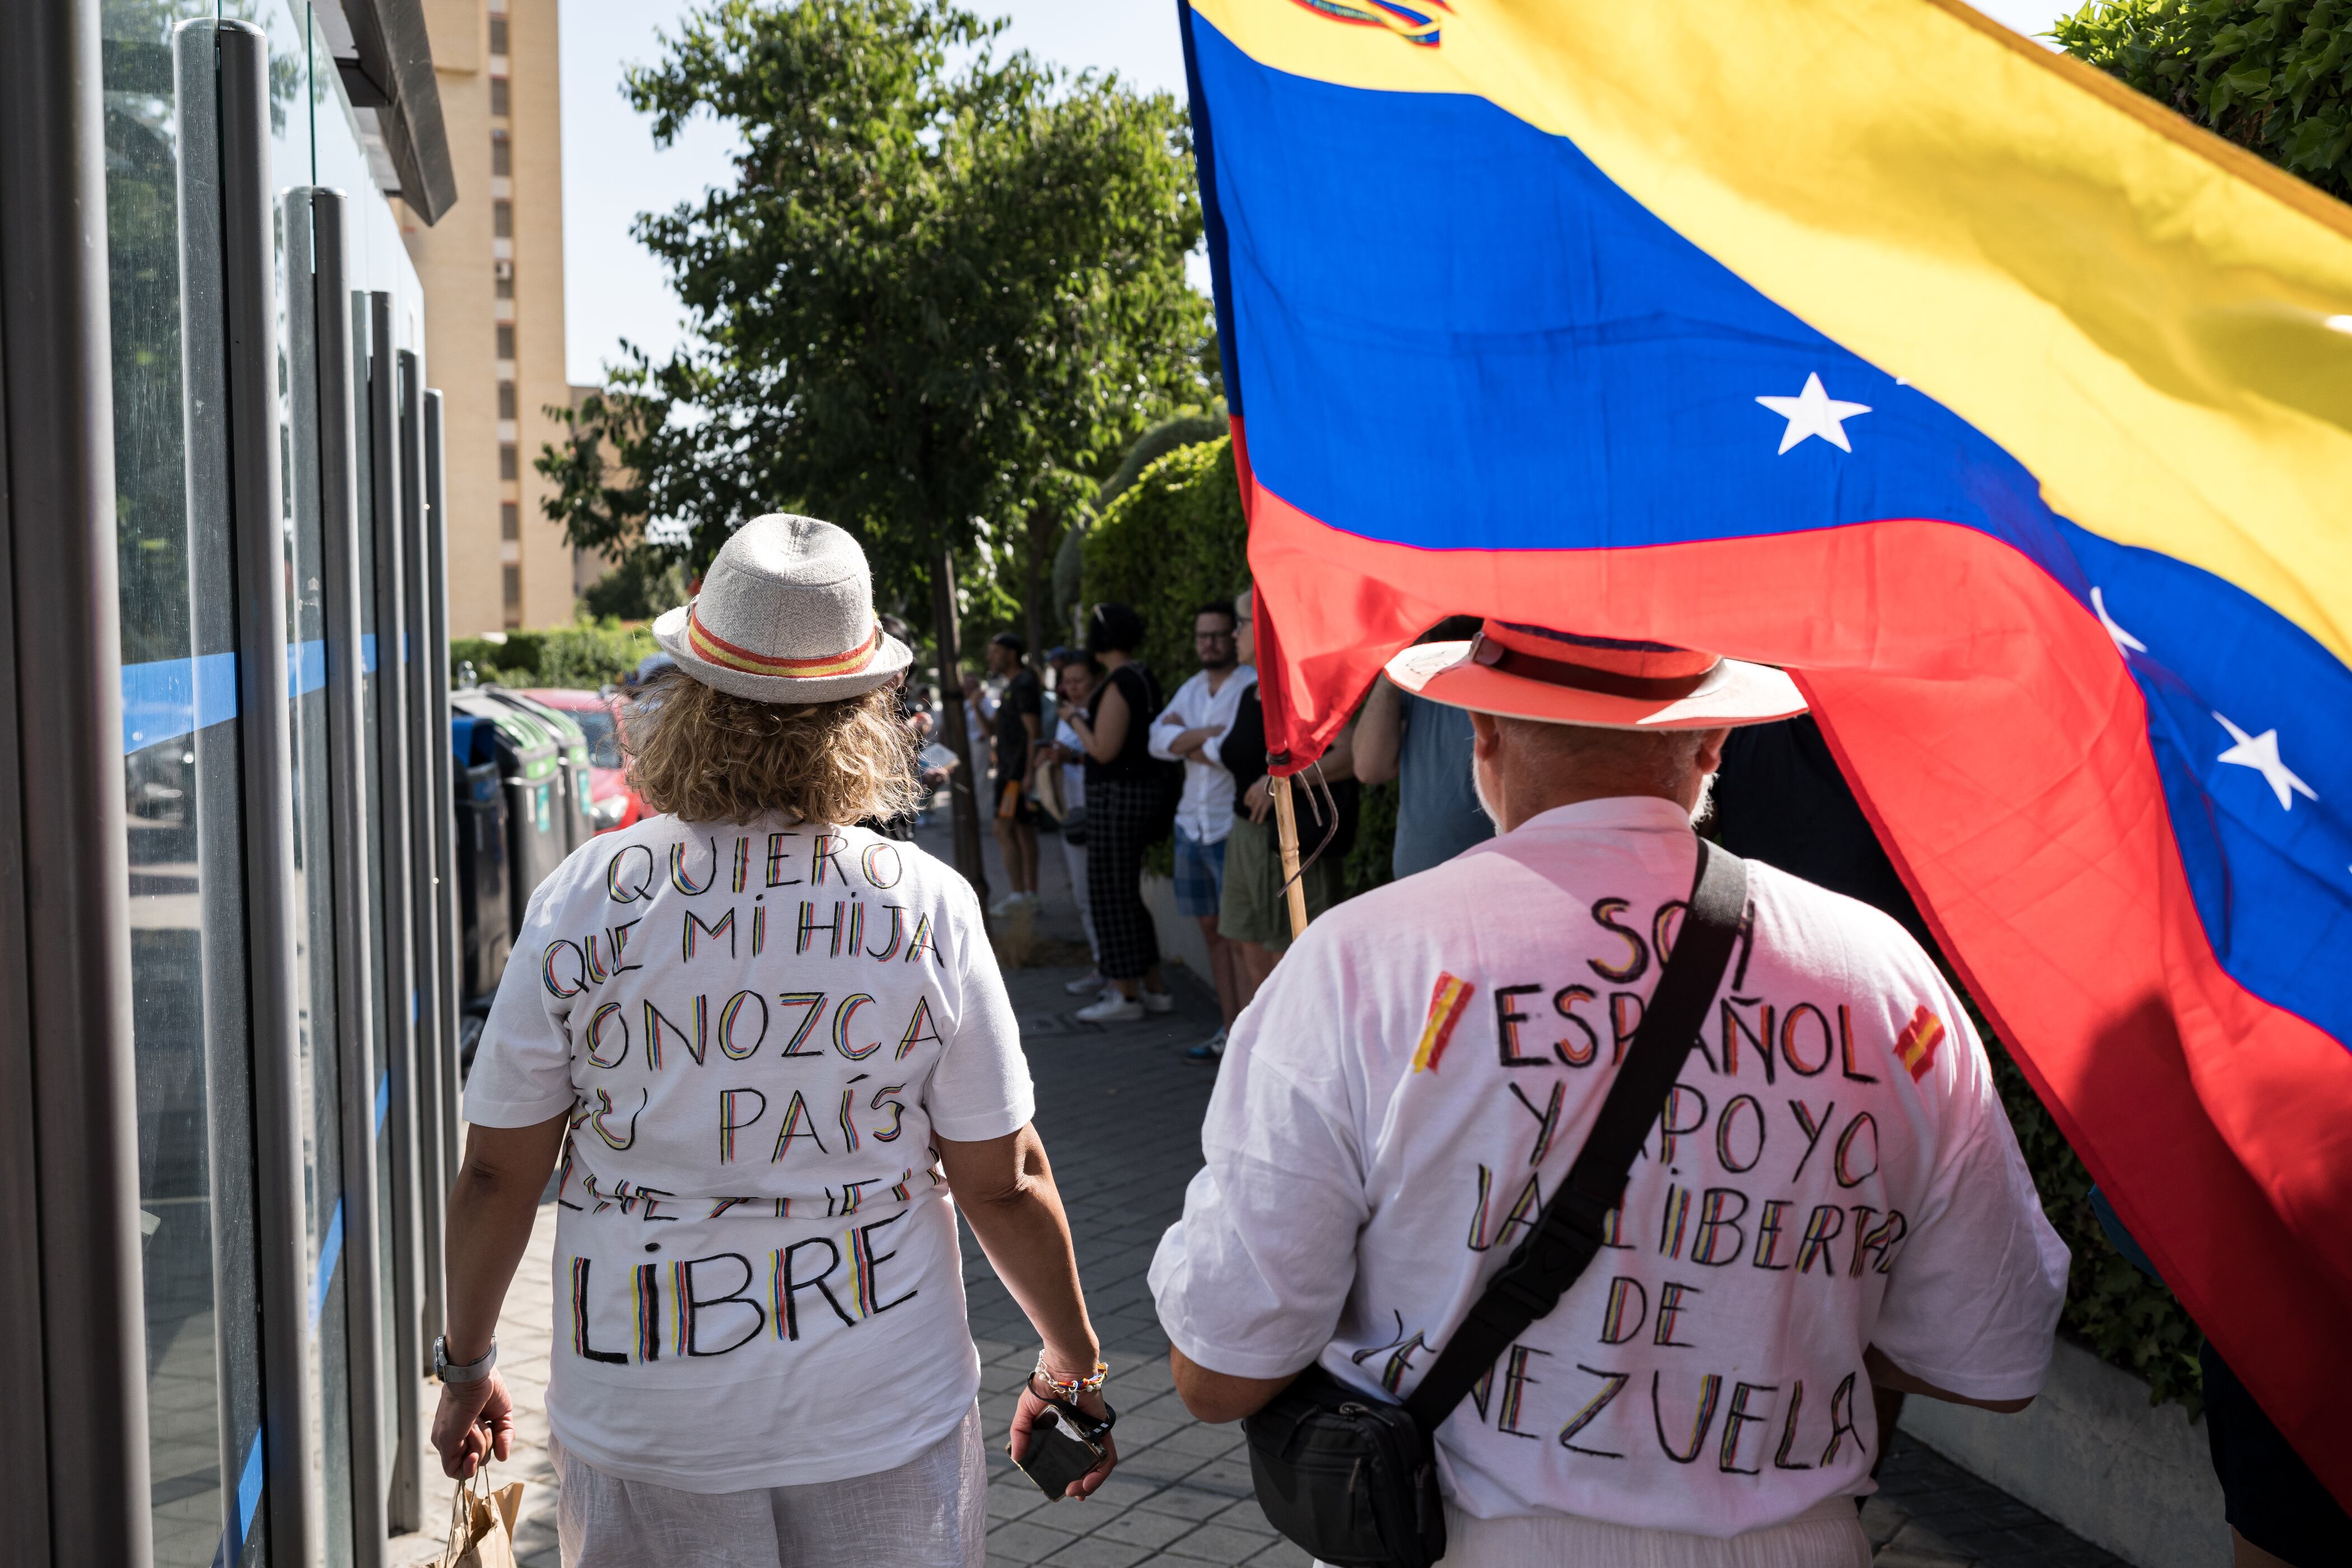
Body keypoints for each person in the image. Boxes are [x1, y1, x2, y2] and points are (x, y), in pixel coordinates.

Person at [1151, 619, 2069, 1566]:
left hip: (1466, 1540)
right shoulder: (1885, 979)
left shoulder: (1363, 962)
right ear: (1713, 744)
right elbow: (1989, 1353)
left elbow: (1222, 1369)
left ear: (1486, 733)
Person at [434, 515, 1118, 1567]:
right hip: (880, 1406)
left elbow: (494, 1173)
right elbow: (1004, 1179)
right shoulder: (924, 906)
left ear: (692, 692)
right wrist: (1071, 1361)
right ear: (861, 711)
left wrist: (469, 1361)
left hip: (645, 1412)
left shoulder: (584, 897)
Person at [1204, 584, 1358, 1052]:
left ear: (1269, 630)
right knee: (1250, 953)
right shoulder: (1250, 690)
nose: (1233, 635)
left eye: (1242, 624)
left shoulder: (1305, 684)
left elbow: (1350, 755)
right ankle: (1267, 1059)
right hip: (1246, 839)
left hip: (1289, 843)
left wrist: (1282, 782)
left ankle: (1303, 1062)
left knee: (1289, 962)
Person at [1148, 600, 1258, 1054]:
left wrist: (1188, 738)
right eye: (1202, 636)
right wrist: (1209, 733)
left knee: (1242, 939)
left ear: (1234, 635)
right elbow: (1157, 742)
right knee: (1213, 934)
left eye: (1218, 634)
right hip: (1189, 827)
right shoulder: (1192, 689)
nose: (1210, 644)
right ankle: (1229, 1031)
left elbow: (1233, 748)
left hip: (1228, 826)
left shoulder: (1250, 684)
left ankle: (1254, 1037)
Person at [1063, 602, 1174, 1024]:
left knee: (1110, 893)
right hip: (1142, 796)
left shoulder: (1121, 680)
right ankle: (1154, 988)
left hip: (1118, 798)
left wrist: (1075, 719)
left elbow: (1104, 749)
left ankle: (1124, 995)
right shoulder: (1143, 676)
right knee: (1126, 894)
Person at [1354, 615, 1495, 878]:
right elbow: (1370, 768)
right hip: (1418, 881)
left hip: (1490, 881)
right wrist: (1396, 663)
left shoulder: (1513, 666)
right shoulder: (1420, 668)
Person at [1038, 649, 1105, 996]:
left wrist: (1071, 755)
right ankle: (1102, 966)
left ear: (1096, 679)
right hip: (1072, 812)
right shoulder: (1067, 715)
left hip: (1101, 814)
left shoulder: (1101, 712)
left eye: (1080, 680)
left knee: (1103, 896)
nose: (1073, 687)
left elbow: (1103, 755)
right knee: (1083, 896)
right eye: (1068, 681)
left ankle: (1112, 972)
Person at [985, 632, 1042, 914]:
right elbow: (990, 730)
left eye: (995, 652)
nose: (990, 658)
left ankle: (1021, 895)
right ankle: (1029, 895)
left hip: (1015, 775)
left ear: (1011, 653)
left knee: (1003, 828)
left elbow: (1035, 732)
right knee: (1022, 829)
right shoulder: (1012, 686)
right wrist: (973, 705)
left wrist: (1029, 772)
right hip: (1012, 772)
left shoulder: (1023, 685)